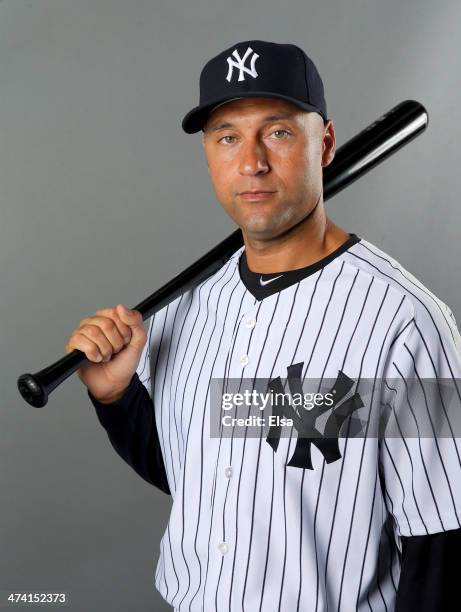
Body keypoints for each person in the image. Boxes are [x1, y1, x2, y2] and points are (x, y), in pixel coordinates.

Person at [66, 40, 461, 611]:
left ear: (324, 143)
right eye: (228, 137)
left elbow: (440, 542)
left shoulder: (406, 323)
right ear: (208, 154)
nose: (251, 162)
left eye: (277, 132)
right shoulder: (185, 307)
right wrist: (118, 397)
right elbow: (200, 475)